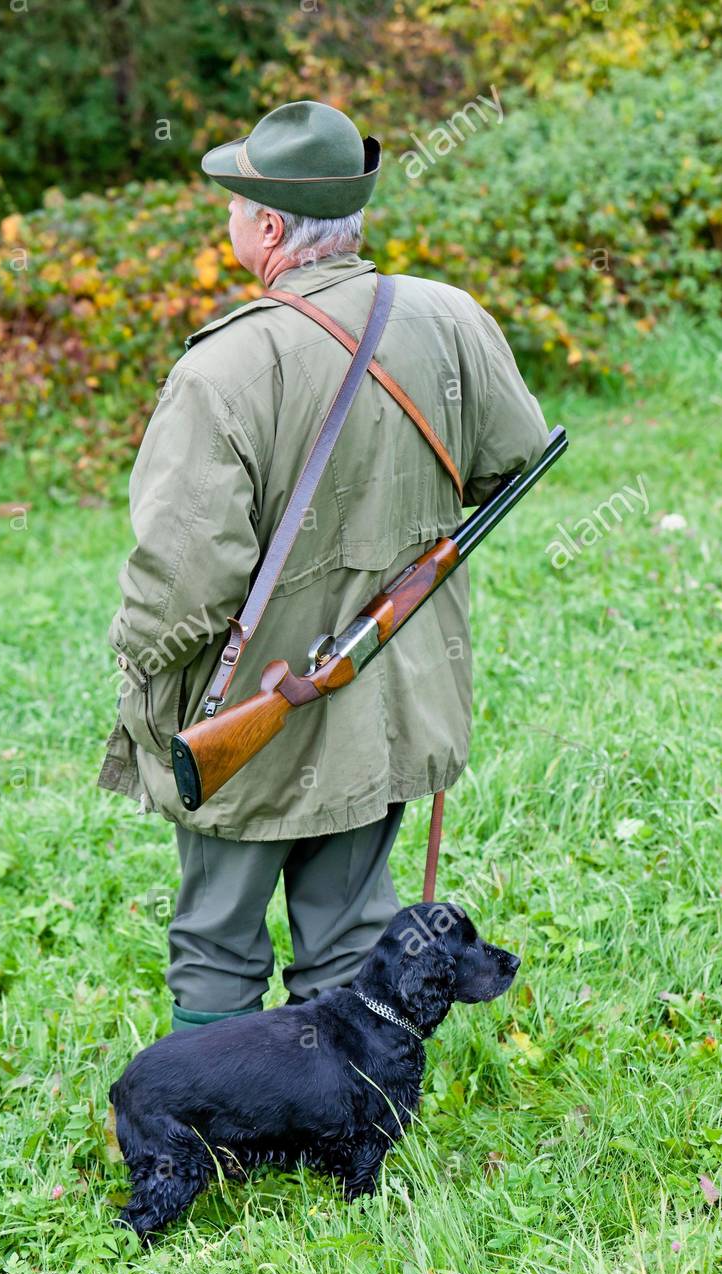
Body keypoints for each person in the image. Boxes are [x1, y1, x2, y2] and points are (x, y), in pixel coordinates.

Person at [98, 100, 548, 1030]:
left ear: (269, 226)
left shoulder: (223, 368)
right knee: (349, 933)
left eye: (234, 202)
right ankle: (348, 1106)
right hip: (388, 697)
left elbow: (187, 582)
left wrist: (139, 667)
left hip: (247, 713)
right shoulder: (449, 315)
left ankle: (215, 1121)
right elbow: (513, 455)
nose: (226, 217)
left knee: (219, 941)